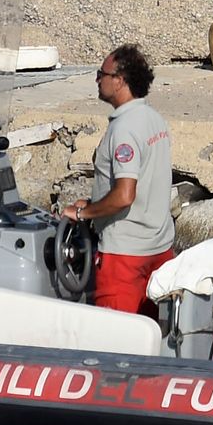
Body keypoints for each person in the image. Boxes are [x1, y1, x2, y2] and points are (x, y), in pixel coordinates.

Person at [62, 44, 174, 316]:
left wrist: (83, 212)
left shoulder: (124, 129)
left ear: (120, 80)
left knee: (117, 342)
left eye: (102, 73)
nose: (97, 79)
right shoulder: (154, 120)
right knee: (147, 335)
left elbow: (125, 195)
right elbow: (143, 180)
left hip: (125, 255)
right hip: (160, 247)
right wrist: (95, 200)